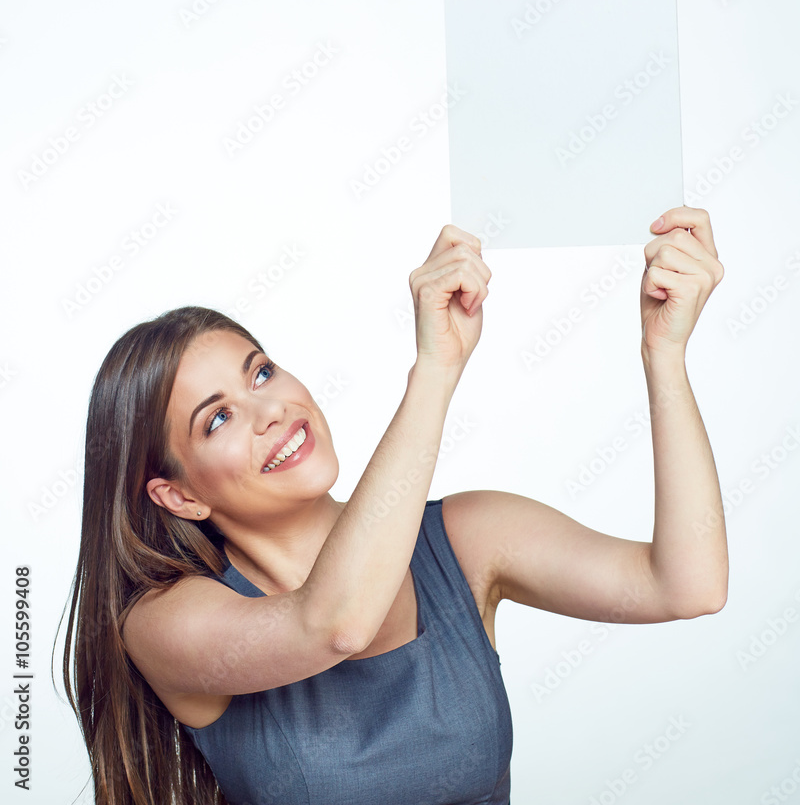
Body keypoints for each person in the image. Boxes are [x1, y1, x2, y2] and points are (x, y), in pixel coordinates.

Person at [59, 206, 728, 805]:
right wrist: (434, 371)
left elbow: (686, 585)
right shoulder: (165, 622)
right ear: (179, 494)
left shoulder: (466, 538)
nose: (271, 411)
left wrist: (665, 353)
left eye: (260, 372)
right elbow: (333, 625)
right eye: (218, 419)